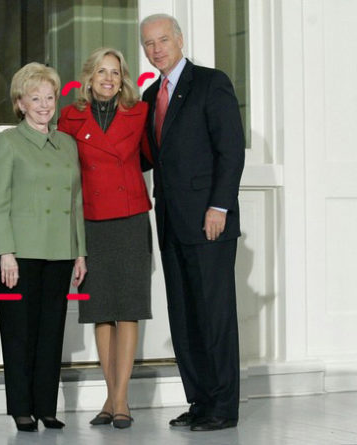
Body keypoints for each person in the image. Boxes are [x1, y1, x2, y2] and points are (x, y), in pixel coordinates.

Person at [140, 14, 245, 431]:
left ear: (180, 40)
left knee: (213, 316)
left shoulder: (210, 82)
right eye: (148, 43)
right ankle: (199, 401)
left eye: (163, 40)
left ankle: (223, 406)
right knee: (183, 316)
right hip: (170, 223)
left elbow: (231, 149)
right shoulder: (150, 95)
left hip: (208, 223)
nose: (156, 48)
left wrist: (219, 206)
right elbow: (149, 157)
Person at [0, 62, 87, 432]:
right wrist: (5, 253)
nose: (45, 105)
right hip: (19, 255)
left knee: (51, 333)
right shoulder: (6, 143)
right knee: (19, 333)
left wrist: (80, 251)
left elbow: (76, 200)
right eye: (35, 98)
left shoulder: (67, 144)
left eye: (49, 97)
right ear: (20, 103)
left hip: (60, 252)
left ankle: (46, 407)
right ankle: (21, 408)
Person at [58, 48, 153, 429]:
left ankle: (120, 400)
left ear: (123, 78)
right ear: (89, 76)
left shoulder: (139, 113)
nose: (109, 78)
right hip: (92, 219)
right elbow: (64, 169)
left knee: (128, 307)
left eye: (115, 72)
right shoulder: (69, 116)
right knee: (100, 310)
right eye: (102, 71)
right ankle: (111, 397)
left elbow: (149, 157)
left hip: (130, 217)